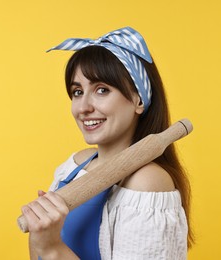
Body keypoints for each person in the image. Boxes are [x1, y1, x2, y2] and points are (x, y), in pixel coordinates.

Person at [21, 27, 194, 260]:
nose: (83, 108)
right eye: (77, 91)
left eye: (102, 90)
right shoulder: (76, 165)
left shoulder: (147, 183)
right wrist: (41, 241)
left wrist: (52, 248)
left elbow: (49, 251)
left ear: (139, 99)